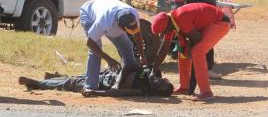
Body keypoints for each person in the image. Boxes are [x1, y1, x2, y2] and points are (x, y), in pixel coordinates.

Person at [150, 3, 231, 101]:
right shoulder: (170, 21)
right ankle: (185, 87)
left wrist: (188, 47)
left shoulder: (181, 17)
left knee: (197, 52)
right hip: (208, 24)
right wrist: (153, 70)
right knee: (182, 51)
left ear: (168, 26)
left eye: (164, 32)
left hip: (220, 23)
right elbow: (164, 48)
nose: (164, 34)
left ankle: (206, 92)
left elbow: (197, 37)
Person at [79, 0, 147, 94]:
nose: (129, 32)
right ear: (119, 25)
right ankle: (90, 86)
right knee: (96, 50)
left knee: (127, 45)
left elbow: (137, 34)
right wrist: (109, 60)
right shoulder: (104, 22)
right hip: (88, 13)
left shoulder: (133, 14)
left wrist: (142, 55)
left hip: (108, 9)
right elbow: (90, 44)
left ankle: (130, 71)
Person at [18, 65, 174, 97]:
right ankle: (55, 78)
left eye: (159, 86)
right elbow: (127, 67)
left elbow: (117, 92)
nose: (157, 82)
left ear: (156, 91)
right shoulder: (151, 70)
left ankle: (37, 83)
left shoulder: (143, 90)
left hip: (101, 84)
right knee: (76, 78)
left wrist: (94, 92)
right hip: (107, 72)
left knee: (71, 83)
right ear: (164, 78)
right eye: (162, 81)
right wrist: (118, 79)